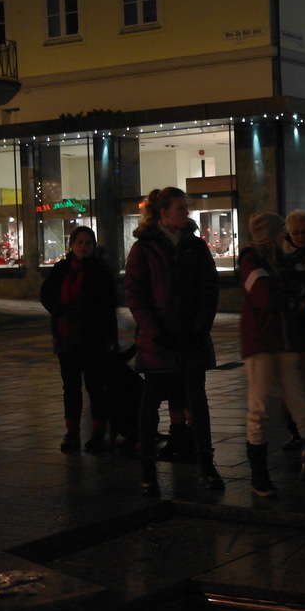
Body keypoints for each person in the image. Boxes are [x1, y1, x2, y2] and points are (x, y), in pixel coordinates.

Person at [125, 187, 222, 496]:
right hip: (159, 342)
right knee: (150, 403)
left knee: (197, 402)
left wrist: (199, 329)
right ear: (163, 212)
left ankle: (206, 464)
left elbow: (209, 290)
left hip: (192, 338)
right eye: (180, 207)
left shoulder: (196, 246)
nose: (186, 212)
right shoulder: (143, 248)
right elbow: (135, 294)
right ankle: (147, 470)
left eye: (186, 207)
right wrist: (156, 331)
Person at [238, 212, 305, 497]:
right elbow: (265, 297)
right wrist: (291, 298)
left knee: (301, 404)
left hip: (287, 342)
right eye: (281, 232)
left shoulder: (286, 258)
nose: (285, 237)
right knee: (260, 408)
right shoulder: (251, 260)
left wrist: (285, 291)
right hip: (262, 343)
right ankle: (259, 476)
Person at [40, 226, 118, 453]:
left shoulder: (99, 271)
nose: (84, 246)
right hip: (66, 337)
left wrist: (110, 337)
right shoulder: (61, 269)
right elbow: (46, 295)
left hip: (93, 337)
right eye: (80, 242)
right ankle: (72, 432)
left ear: (93, 246)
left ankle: (98, 432)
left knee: (95, 385)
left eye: (88, 243)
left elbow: (108, 306)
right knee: (71, 387)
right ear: (71, 245)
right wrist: (61, 312)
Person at [278, 209, 305, 451]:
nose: (300, 236)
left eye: (304, 232)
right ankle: (296, 430)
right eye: (295, 232)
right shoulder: (283, 253)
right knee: (293, 380)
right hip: (293, 323)